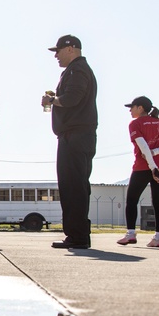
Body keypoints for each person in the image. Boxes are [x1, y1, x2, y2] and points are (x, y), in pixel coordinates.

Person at [41, 35, 98, 250]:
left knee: (73, 186)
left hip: (75, 136)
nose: (55, 55)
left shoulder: (77, 70)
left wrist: (52, 100)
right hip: (76, 136)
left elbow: (73, 98)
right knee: (75, 185)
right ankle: (77, 234)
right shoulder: (76, 70)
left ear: (71, 49)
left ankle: (78, 236)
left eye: (58, 50)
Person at [117, 96, 159, 248]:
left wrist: (152, 166)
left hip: (143, 167)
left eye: (132, 107)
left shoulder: (135, 124)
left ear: (140, 107)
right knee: (158, 201)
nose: (130, 110)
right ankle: (158, 238)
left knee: (131, 199)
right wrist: (156, 153)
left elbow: (143, 147)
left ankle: (130, 234)